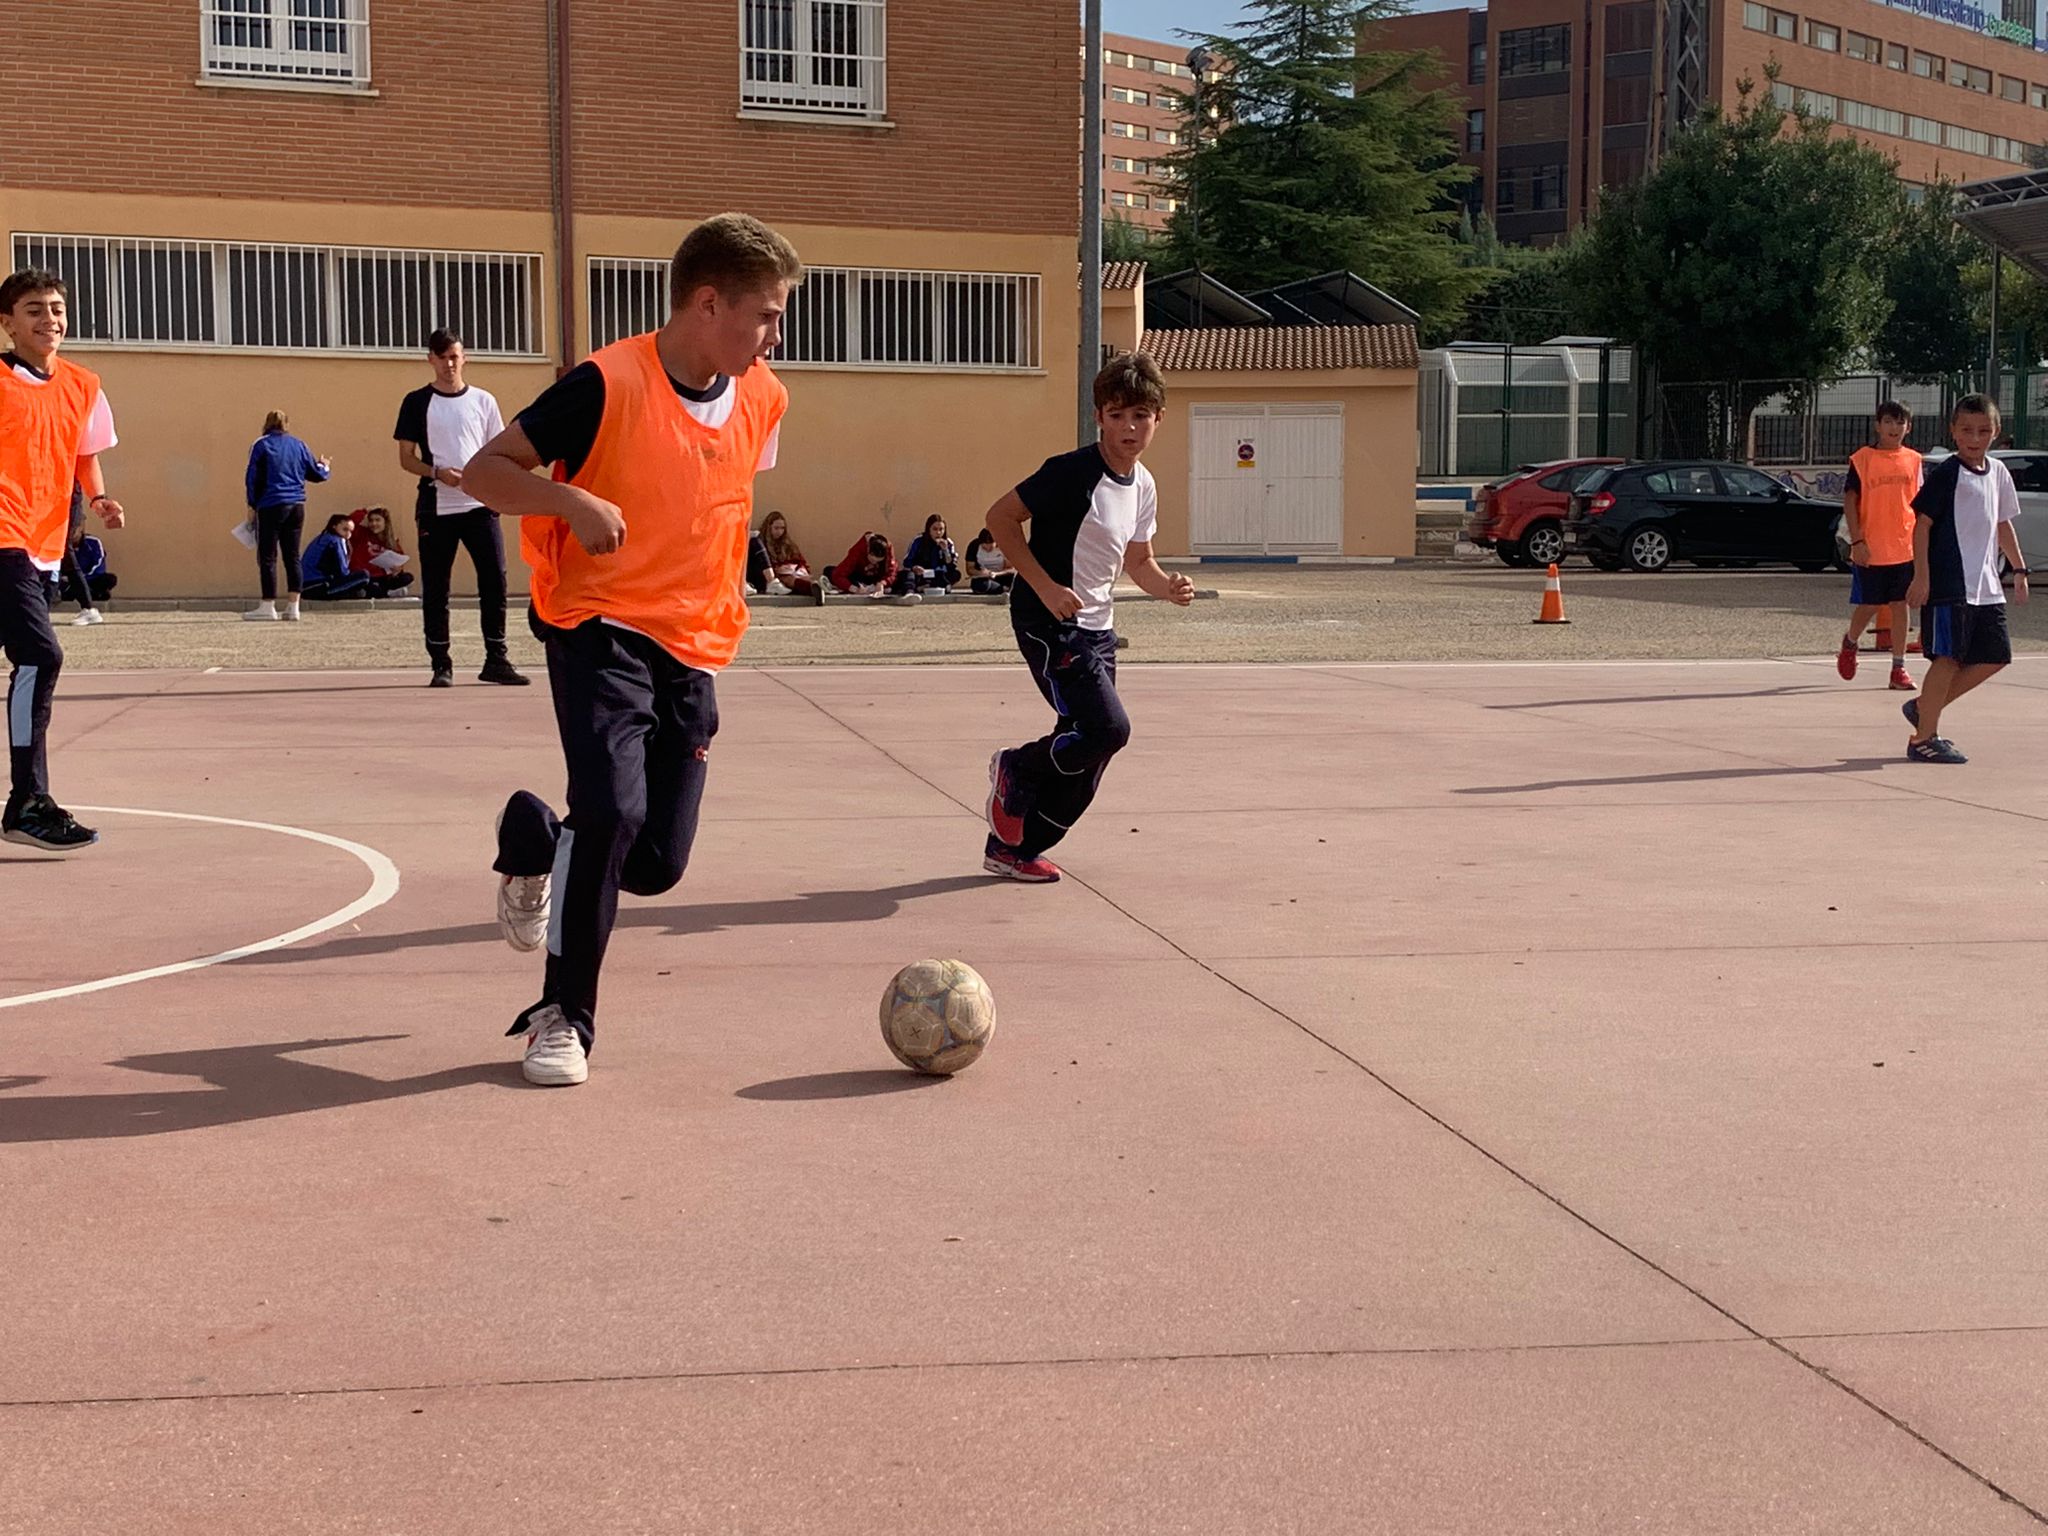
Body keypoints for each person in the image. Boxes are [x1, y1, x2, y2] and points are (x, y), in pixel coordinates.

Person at [461, 211, 799, 1087]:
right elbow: (485, 472)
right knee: (609, 812)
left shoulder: (763, 396)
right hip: (598, 624)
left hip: (693, 644)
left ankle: (534, 836)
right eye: (766, 315)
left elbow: (718, 500)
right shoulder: (606, 384)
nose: (776, 334)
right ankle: (563, 1016)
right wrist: (569, 501)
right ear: (708, 303)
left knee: (653, 864)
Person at [981, 352, 1194, 883]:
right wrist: (1046, 587)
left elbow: (1139, 562)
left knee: (1090, 754)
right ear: (1099, 416)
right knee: (1107, 729)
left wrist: (1167, 588)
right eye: (1117, 415)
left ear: (1158, 419)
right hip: (1049, 621)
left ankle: (1013, 849)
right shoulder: (1069, 473)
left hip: (1098, 630)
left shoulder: (1142, 485)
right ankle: (1016, 766)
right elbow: (1000, 518)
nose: (1129, 427)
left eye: (1141, 416)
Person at [0, 267, 125, 852]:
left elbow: (83, 453)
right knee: (40, 655)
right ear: (8, 323)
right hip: (4, 536)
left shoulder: (83, 384)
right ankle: (27, 802)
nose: (49, 318)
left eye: (56, 308)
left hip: (44, 542)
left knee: (34, 657)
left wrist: (98, 498)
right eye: (34, 309)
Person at [395, 328, 527, 688]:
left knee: (495, 580)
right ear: (431, 360)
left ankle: (496, 658)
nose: (449, 364)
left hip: (480, 506)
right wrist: (437, 472)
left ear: (464, 357)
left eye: (454, 356)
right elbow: (406, 458)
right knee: (437, 587)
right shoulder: (416, 402)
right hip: (437, 508)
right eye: (442, 358)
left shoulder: (483, 401)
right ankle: (441, 663)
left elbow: (498, 451)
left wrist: (489, 481)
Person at [1902, 394, 2027, 764]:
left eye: (1984, 431)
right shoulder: (1948, 474)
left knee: (1995, 656)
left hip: (1986, 586)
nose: (1975, 438)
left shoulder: (1998, 473)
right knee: (1948, 658)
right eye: (1967, 430)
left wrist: (2019, 569)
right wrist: (1921, 576)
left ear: (1996, 432)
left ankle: (1924, 707)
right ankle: (1924, 738)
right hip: (1950, 583)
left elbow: (2002, 523)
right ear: (1953, 431)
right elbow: (1922, 526)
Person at [1836, 402, 1921, 692]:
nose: (1894, 428)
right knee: (1870, 604)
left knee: (1900, 605)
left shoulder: (1914, 460)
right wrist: (1857, 540)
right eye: (1888, 422)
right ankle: (1850, 642)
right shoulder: (1863, 459)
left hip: (1904, 547)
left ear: (1908, 427)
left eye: (1900, 423)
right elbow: (1850, 500)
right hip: (1871, 547)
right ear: (1877, 426)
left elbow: (1918, 503)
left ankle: (1898, 667)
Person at [243, 409, 329, 623]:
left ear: (266, 423)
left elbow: (252, 477)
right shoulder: (299, 445)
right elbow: (316, 473)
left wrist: (252, 504)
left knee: (268, 556)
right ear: (286, 424)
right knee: (292, 556)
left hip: (271, 503)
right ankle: (293, 607)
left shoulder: (261, 444)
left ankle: (268, 605)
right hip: (297, 504)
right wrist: (325, 466)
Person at [302, 513, 412, 600]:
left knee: (406, 577)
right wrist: (366, 510)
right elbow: (343, 572)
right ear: (334, 526)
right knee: (364, 577)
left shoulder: (325, 537)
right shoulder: (336, 540)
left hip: (312, 584)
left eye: (350, 531)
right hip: (318, 585)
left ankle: (378, 592)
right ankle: (382, 593)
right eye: (345, 529)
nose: (348, 534)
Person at [57, 482, 109, 625]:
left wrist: (98, 498)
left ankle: (89, 608)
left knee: (66, 557)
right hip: (49, 506)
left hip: (62, 506)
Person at [348, 507, 415, 595]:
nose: (374, 523)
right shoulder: (361, 534)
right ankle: (387, 593)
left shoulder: (391, 541)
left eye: (377, 520)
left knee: (408, 577)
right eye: (371, 520)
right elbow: (350, 520)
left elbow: (399, 561)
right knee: (367, 587)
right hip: (365, 577)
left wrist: (397, 570)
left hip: (383, 577)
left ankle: (385, 592)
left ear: (385, 522)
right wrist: (366, 510)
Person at [828, 531, 911, 601]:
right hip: (860, 578)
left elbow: (892, 572)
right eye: (872, 560)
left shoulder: (888, 548)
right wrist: (854, 589)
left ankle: (909, 593)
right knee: (830, 570)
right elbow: (838, 574)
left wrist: (882, 583)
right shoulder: (858, 550)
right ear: (868, 550)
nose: (874, 563)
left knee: (907, 574)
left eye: (878, 561)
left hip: (879, 578)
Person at [896, 514, 961, 597]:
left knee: (955, 574)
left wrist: (945, 551)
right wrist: (914, 567)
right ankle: (910, 592)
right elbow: (907, 561)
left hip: (938, 574)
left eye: (941, 529)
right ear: (929, 529)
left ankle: (928, 586)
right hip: (921, 574)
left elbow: (951, 565)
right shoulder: (918, 540)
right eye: (935, 529)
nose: (938, 533)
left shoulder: (948, 543)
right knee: (907, 574)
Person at [758, 511, 818, 597]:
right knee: (788, 579)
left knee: (804, 578)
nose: (779, 532)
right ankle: (811, 588)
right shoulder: (762, 544)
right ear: (769, 528)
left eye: (782, 528)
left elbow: (799, 559)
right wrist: (779, 569)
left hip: (794, 572)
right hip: (777, 576)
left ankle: (815, 588)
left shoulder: (788, 544)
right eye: (776, 528)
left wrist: (799, 568)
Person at [965, 526, 1014, 594]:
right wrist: (981, 573)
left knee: (1015, 579)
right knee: (979, 585)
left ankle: (1000, 588)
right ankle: (1002, 589)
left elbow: (1011, 569)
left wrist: (996, 574)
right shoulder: (974, 546)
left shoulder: (1004, 546)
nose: (988, 549)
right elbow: (970, 569)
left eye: (991, 547)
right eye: (984, 547)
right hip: (984, 577)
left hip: (1000, 575)